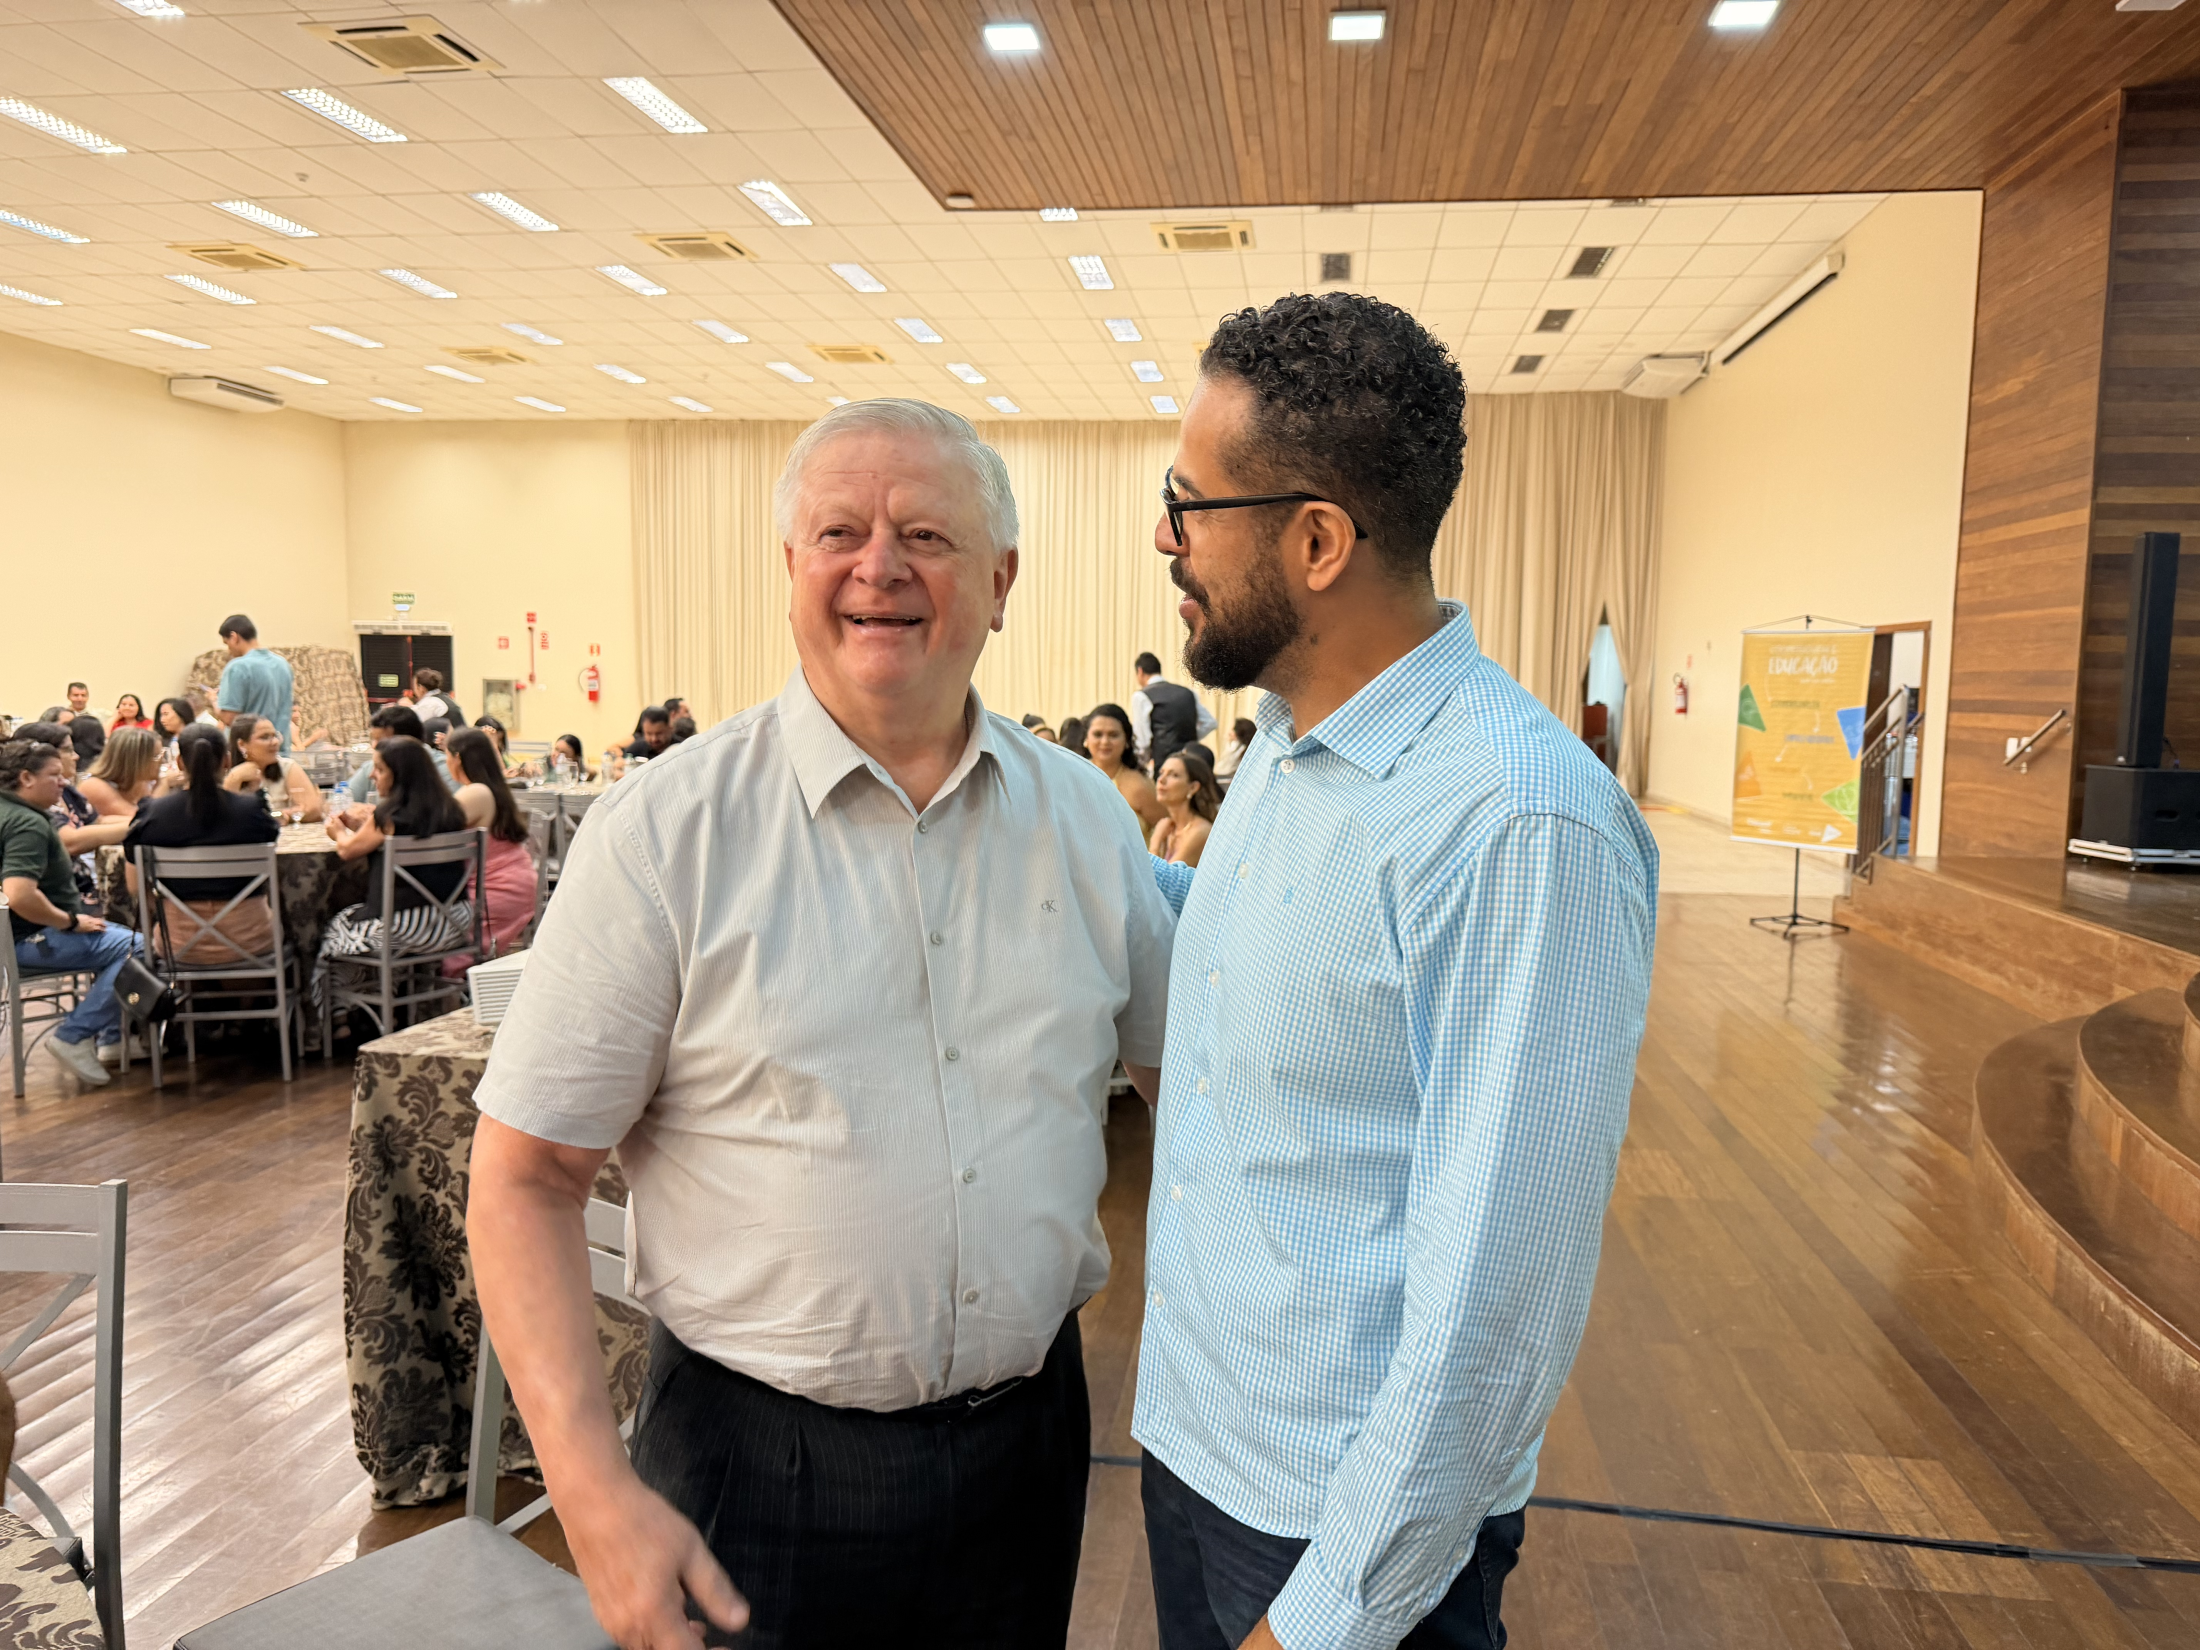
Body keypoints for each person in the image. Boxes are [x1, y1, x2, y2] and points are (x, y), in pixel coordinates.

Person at [466, 396, 1175, 1650]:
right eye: (840, 532)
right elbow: (525, 1178)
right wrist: (590, 1497)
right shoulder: (668, 835)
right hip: (753, 1474)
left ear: (1000, 582)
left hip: (1028, 1451)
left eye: (927, 536)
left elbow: (1193, 1093)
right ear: (791, 566)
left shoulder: (1086, 822)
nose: (878, 567)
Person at [1135, 292, 1658, 1650]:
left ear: (1317, 540)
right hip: (1197, 1449)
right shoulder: (1283, 743)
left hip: (1339, 1539)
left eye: (1189, 505)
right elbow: (1256, 1007)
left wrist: (1319, 1624)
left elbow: (1493, 1316)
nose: (1166, 539)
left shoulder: (1518, 825)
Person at [1, 738, 142, 1088]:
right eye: (55, 775)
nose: (64, 782)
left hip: (14, 938)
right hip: (30, 939)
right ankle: (74, 1036)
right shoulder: (27, 824)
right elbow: (20, 894)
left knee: (114, 939)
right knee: (140, 948)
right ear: (26, 778)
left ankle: (112, 1040)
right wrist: (69, 921)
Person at [123, 723, 281, 966]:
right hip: (250, 939)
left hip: (178, 943)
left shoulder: (154, 815)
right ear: (227, 761)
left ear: (180, 763)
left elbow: (136, 888)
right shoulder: (251, 812)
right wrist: (250, 792)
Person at [319, 735, 473, 976]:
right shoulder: (451, 810)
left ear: (400, 776)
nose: (372, 776)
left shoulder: (389, 816)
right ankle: (409, 991)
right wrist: (365, 827)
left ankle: (356, 998)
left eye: (379, 769)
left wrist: (337, 831)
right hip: (456, 921)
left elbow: (347, 850)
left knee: (332, 930)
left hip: (405, 928)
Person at [444, 727, 537, 960]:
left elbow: (434, 825)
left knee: (422, 920)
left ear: (457, 758)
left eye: (446, 756)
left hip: (496, 890)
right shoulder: (489, 788)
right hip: (513, 883)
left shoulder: (476, 792)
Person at [13, 722, 127, 905]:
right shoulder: (31, 801)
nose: (76, 756)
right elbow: (71, 842)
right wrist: (139, 825)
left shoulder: (65, 789)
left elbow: (97, 822)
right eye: (68, 750)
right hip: (58, 902)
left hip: (84, 889)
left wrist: (143, 819)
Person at [214, 614, 295, 756]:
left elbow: (230, 719)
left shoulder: (238, 667)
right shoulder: (283, 665)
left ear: (234, 637)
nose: (229, 650)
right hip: (281, 752)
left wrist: (214, 701)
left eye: (227, 643)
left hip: (251, 756)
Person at [224, 714, 323, 823]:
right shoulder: (224, 772)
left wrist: (278, 816)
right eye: (265, 737)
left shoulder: (287, 767)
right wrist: (235, 778)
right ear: (242, 744)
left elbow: (312, 809)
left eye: (275, 736)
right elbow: (220, 818)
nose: (275, 742)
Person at [1084, 702, 1164, 834]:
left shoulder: (1139, 786)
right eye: (1098, 734)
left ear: (1126, 741)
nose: (1105, 742)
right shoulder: (1072, 776)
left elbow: (1167, 830)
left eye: (1113, 735)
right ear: (1086, 739)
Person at [1130, 650, 1217, 771]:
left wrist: (1141, 764)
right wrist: (1190, 739)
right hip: (1190, 760)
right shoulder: (1188, 693)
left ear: (1140, 671)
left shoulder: (1141, 696)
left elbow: (1142, 740)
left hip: (1163, 763)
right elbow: (1210, 723)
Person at [342, 704, 429, 810]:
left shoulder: (437, 768)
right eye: (373, 739)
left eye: (381, 740)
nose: (374, 746)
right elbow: (340, 801)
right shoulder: (372, 767)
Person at [1148, 747, 1219, 868]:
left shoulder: (1199, 832)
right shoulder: (1170, 829)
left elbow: (1164, 877)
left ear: (1193, 787)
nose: (1161, 780)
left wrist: (1155, 843)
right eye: (1161, 773)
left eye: (1174, 775)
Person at [79, 727, 165, 819]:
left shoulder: (142, 783)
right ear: (133, 760)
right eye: (157, 756)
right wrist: (164, 784)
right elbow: (144, 820)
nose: (163, 761)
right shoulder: (93, 786)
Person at [1214, 716, 1257, 783]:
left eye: (1233, 730)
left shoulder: (1242, 750)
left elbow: (1225, 770)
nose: (1230, 733)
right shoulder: (1232, 746)